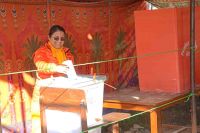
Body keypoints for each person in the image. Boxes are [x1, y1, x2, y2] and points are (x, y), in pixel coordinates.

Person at [31, 25, 74, 133]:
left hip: (61, 91)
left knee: (58, 124)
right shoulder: (41, 51)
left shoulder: (67, 52)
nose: (59, 41)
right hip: (44, 91)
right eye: (56, 38)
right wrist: (56, 68)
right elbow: (40, 64)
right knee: (41, 124)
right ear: (49, 38)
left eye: (62, 39)